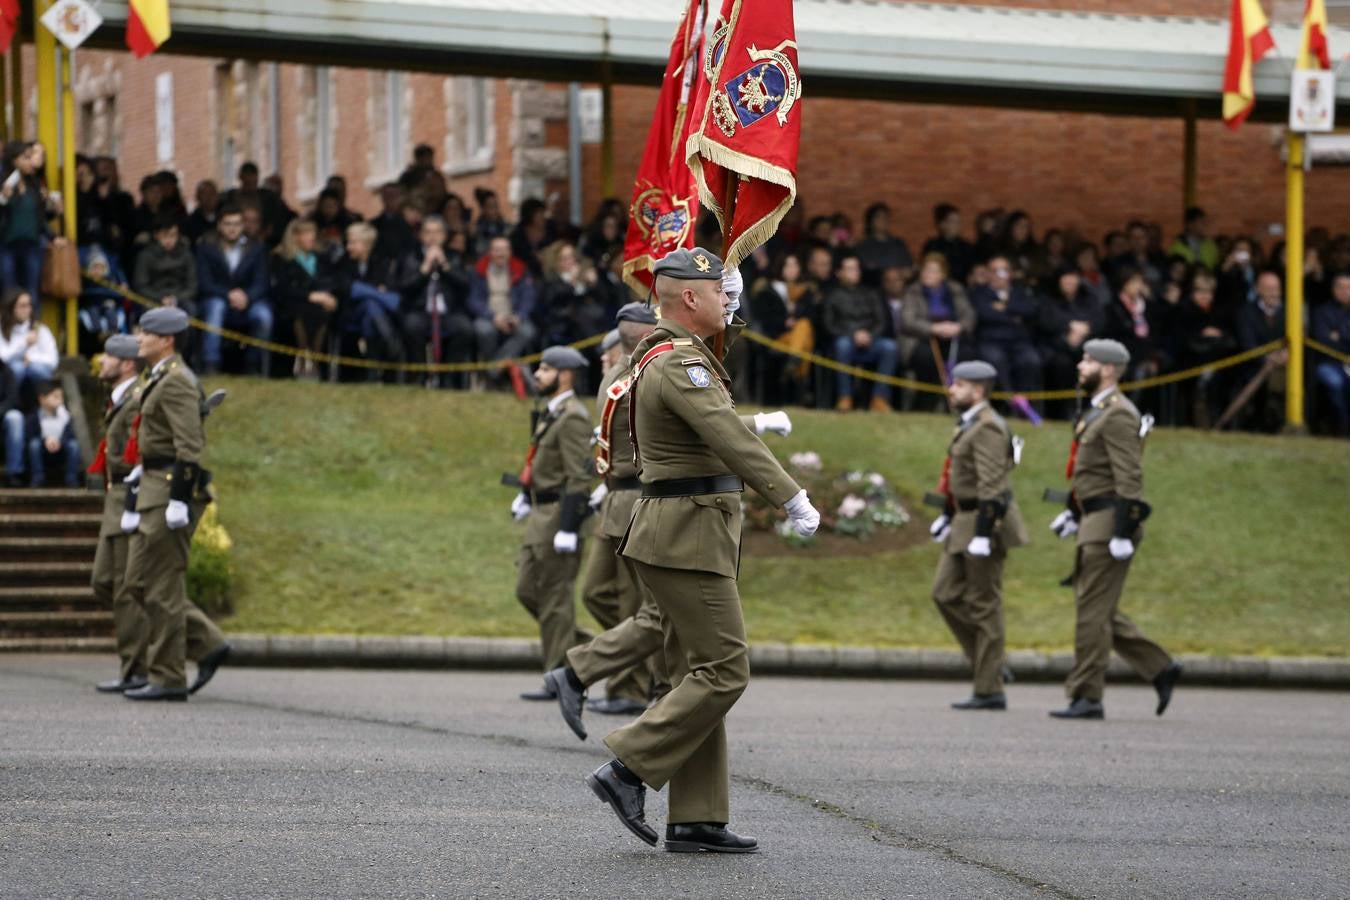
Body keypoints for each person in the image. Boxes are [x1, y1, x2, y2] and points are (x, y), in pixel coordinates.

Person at [585, 247, 820, 855]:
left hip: (678, 528)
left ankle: (696, 817)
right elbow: (726, 433)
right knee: (724, 668)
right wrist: (791, 497)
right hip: (687, 532)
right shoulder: (677, 364)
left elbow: (715, 356)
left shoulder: (671, 353)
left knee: (695, 672)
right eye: (720, 291)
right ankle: (628, 768)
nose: (729, 298)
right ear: (689, 297)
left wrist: (730, 308)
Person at [1047, 338, 1181, 720]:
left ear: (1107, 369)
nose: (1079, 365)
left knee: (1092, 612)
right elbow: (1094, 473)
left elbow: (1129, 477)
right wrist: (1074, 510)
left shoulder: (1119, 413)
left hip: (1109, 524)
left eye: (1087, 360)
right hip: (1094, 519)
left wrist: (1123, 529)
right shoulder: (1098, 411)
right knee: (1097, 607)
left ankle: (1087, 696)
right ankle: (1159, 666)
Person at [119, 306, 231, 701]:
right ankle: (208, 642)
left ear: (166, 339)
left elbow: (189, 445)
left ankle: (167, 677)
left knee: (161, 587)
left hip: (169, 492)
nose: (139, 338)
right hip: (152, 486)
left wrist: (179, 500)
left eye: (146, 333)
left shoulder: (177, 381)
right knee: (136, 582)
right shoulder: (160, 376)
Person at [927, 360, 1027, 710]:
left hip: (984, 524)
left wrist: (984, 532)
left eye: (960, 385)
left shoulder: (987, 427)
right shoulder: (969, 423)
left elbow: (991, 484)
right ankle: (993, 663)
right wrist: (947, 514)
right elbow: (961, 477)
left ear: (979, 391)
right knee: (944, 594)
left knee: (985, 606)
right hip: (963, 520)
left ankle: (990, 688)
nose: (952, 390)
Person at [512, 346, 595, 699]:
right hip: (540, 515)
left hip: (557, 518)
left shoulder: (573, 416)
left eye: (545, 369)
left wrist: (569, 526)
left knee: (556, 599)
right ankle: (600, 652)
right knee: (528, 591)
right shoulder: (552, 412)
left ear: (564, 375)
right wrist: (523, 494)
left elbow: (579, 476)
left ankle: (557, 677)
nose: (538, 375)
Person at [90, 335, 149, 693]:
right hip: (116, 500)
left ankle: (137, 668)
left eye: (109, 357)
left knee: (126, 588)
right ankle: (138, 662)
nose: (102, 361)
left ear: (127, 364)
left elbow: (138, 451)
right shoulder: (120, 399)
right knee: (105, 582)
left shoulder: (135, 399)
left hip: (130, 498)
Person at [197, 204, 273, 376]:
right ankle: (211, 364)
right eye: (228, 224)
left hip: (250, 300)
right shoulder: (206, 247)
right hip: (218, 298)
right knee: (215, 308)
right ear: (219, 226)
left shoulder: (256, 248)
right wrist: (228, 294)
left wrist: (246, 296)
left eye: (237, 224)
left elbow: (262, 282)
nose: (232, 228)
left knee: (264, 316)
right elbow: (205, 283)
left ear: (243, 226)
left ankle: (254, 365)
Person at [399, 216, 473, 383]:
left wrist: (446, 266)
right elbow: (405, 288)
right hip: (420, 310)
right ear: (421, 235)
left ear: (445, 236)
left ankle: (448, 377)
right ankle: (419, 376)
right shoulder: (411, 257)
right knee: (412, 327)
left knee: (464, 329)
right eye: (428, 232)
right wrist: (424, 269)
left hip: (449, 311)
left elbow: (465, 286)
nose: (432, 237)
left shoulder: (454, 256)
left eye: (437, 232)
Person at [825, 253, 896, 411]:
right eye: (850, 269)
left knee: (890, 347)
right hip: (845, 342)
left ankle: (879, 398)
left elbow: (881, 321)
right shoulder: (832, 295)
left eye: (856, 269)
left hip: (870, 341)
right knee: (842, 345)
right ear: (839, 273)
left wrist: (870, 335)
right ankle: (845, 397)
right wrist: (852, 334)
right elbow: (829, 325)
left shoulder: (871, 293)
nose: (855, 272)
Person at [272, 220, 338, 379]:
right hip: (292, 304)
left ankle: (314, 360)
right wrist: (310, 296)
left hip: (319, 305)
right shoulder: (281, 258)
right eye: (306, 233)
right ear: (295, 236)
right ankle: (301, 358)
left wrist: (328, 296)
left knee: (324, 313)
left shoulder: (321, 257)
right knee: (298, 313)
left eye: (313, 233)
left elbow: (330, 281)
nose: (312, 237)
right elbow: (282, 288)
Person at [969, 255, 1043, 398]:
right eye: (995, 270)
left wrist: (1004, 306)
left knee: (1031, 361)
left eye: (1004, 270)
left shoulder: (1020, 291)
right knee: (996, 361)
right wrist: (1014, 317)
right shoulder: (979, 292)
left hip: (1019, 342)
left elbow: (1031, 310)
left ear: (1010, 273)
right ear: (988, 273)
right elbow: (985, 314)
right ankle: (1010, 403)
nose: (1000, 275)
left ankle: (1030, 407)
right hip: (991, 341)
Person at [901, 254, 976, 390]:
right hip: (922, 339)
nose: (928, 274)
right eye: (926, 270)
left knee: (967, 354)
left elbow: (969, 315)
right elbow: (908, 321)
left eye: (933, 271)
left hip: (953, 337)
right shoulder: (913, 290)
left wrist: (959, 327)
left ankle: (960, 397)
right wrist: (933, 328)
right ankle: (928, 399)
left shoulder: (955, 289)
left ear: (943, 274)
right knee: (926, 357)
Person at [1037, 266, 1104, 418]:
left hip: (1085, 347)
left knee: (1094, 365)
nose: (1070, 281)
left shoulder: (1088, 297)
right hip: (1055, 348)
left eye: (1073, 277)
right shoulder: (1048, 298)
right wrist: (1069, 326)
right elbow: (1044, 321)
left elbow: (1099, 319)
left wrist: (1085, 329)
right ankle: (1063, 413)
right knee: (1061, 365)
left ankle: (1090, 411)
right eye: (1066, 277)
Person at [468, 236, 538, 377]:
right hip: (488, 316)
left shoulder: (520, 269)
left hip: (514, 315)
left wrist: (519, 316)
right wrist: (493, 317)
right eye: (497, 250)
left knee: (527, 331)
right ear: (490, 252)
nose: (501, 254)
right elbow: (473, 300)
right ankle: (499, 372)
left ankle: (492, 371)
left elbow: (528, 297)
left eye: (504, 250)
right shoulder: (479, 270)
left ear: (510, 252)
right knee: (484, 331)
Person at [1234, 271, 1289, 432]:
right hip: (1255, 366)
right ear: (1258, 290)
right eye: (1269, 288)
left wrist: (1286, 356)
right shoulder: (1246, 313)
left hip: (1286, 365)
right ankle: (1259, 424)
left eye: (1276, 288)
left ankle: (1278, 422)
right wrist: (1267, 359)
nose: (1273, 293)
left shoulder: (1290, 312)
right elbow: (1247, 343)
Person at [0, 141, 49, 313]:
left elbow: (40, 218)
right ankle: (8, 334)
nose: (31, 162)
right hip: (7, 245)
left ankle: (32, 329)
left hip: (31, 245)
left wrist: (53, 236)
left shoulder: (34, 185)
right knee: (9, 291)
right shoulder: (4, 183)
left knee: (32, 291)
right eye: (26, 158)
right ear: (14, 160)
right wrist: (3, 199)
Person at [133, 216, 199, 318]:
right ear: (156, 235)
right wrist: (160, 298)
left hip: (181, 298)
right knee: (148, 311)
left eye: (173, 235)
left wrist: (175, 299)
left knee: (191, 309)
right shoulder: (145, 255)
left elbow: (192, 286)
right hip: (153, 298)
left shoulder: (186, 255)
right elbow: (141, 286)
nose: (169, 240)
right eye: (164, 236)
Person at [1312, 271, 1350, 435]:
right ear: (1333, 289)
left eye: (1349, 287)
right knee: (1335, 383)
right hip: (1329, 362)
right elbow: (1323, 339)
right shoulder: (1322, 312)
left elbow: (1335, 339)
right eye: (1341, 287)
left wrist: (1338, 335)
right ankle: (1342, 429)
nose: (1345, 291)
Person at [24, 381, 81, 488]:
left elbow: (70, 434)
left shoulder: (66, 416)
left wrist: (60, 441)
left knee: (74, 445)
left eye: (61, 397)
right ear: (42, 399)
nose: (60, 400)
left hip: (61, 449)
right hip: (42, 451)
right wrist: (45, 440)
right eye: (55, 397)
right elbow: (30, 436)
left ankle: (71, 478)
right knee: (34, 445)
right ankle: (38, 477)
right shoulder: (34, 417)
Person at [1, 289, 59, 389]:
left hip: (37, 372)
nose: (28, 310)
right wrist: (24, 344)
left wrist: (31, 359)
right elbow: (2, 358)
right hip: (10, 374)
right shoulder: (2, 329)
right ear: (11, 308)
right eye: (22, 306)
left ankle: (45, 402)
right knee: (17, 368)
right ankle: (8, 404)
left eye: (29, 305)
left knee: (36, 368)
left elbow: (53, 360)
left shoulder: (40, 329)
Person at [855, 203, 913, 287]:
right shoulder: (862, 246)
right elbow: (862, 274)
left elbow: (909, 269)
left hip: (897, 291)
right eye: (879, 217)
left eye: (886, 217)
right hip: (871, 292)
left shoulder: (898, 244)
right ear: (871, 222)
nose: (883, 220)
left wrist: (906, 273)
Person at [921, 203, 976, 285]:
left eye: (959, 222)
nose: (958, 225)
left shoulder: (967, 246)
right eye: (953, 221)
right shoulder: (933, 245)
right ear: (942, 224)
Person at [1168, 207, 1220, 272]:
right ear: (1190, 225)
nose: (1205, 226)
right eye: (1202, 222)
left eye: (1206, 222)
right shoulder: (1177, 248)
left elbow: (1216, 269)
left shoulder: (1211, 246)